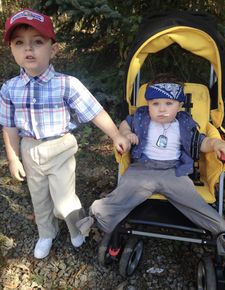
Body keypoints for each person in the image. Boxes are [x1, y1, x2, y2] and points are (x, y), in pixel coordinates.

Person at [0, 8, 130, 259]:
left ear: (53, 49)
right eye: (19, 43)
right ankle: (46, 233)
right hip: (29, 148)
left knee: (63, 200)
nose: (29, 49)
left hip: (59, 147)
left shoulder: (66, 84)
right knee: (39, 198)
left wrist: (116, 135)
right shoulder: (9, 89)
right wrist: (14, 157)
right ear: (12, 50)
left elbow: (94, 111)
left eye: (37, 42)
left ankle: (77, 226)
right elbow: (9, 125)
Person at [90, 78, 225, 256]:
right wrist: (127, 134)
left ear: (180, 105)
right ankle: (98, 215)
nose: (162, 109)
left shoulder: (184, 123)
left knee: (191, 199)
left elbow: (201, 142)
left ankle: (218, 228)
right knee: (125, 191)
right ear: (148, 104)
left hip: (173, 171)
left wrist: (215, 144)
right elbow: (125, 123)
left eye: (169, 103)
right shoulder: (142, 116)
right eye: (155, 103)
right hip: (143, 168)